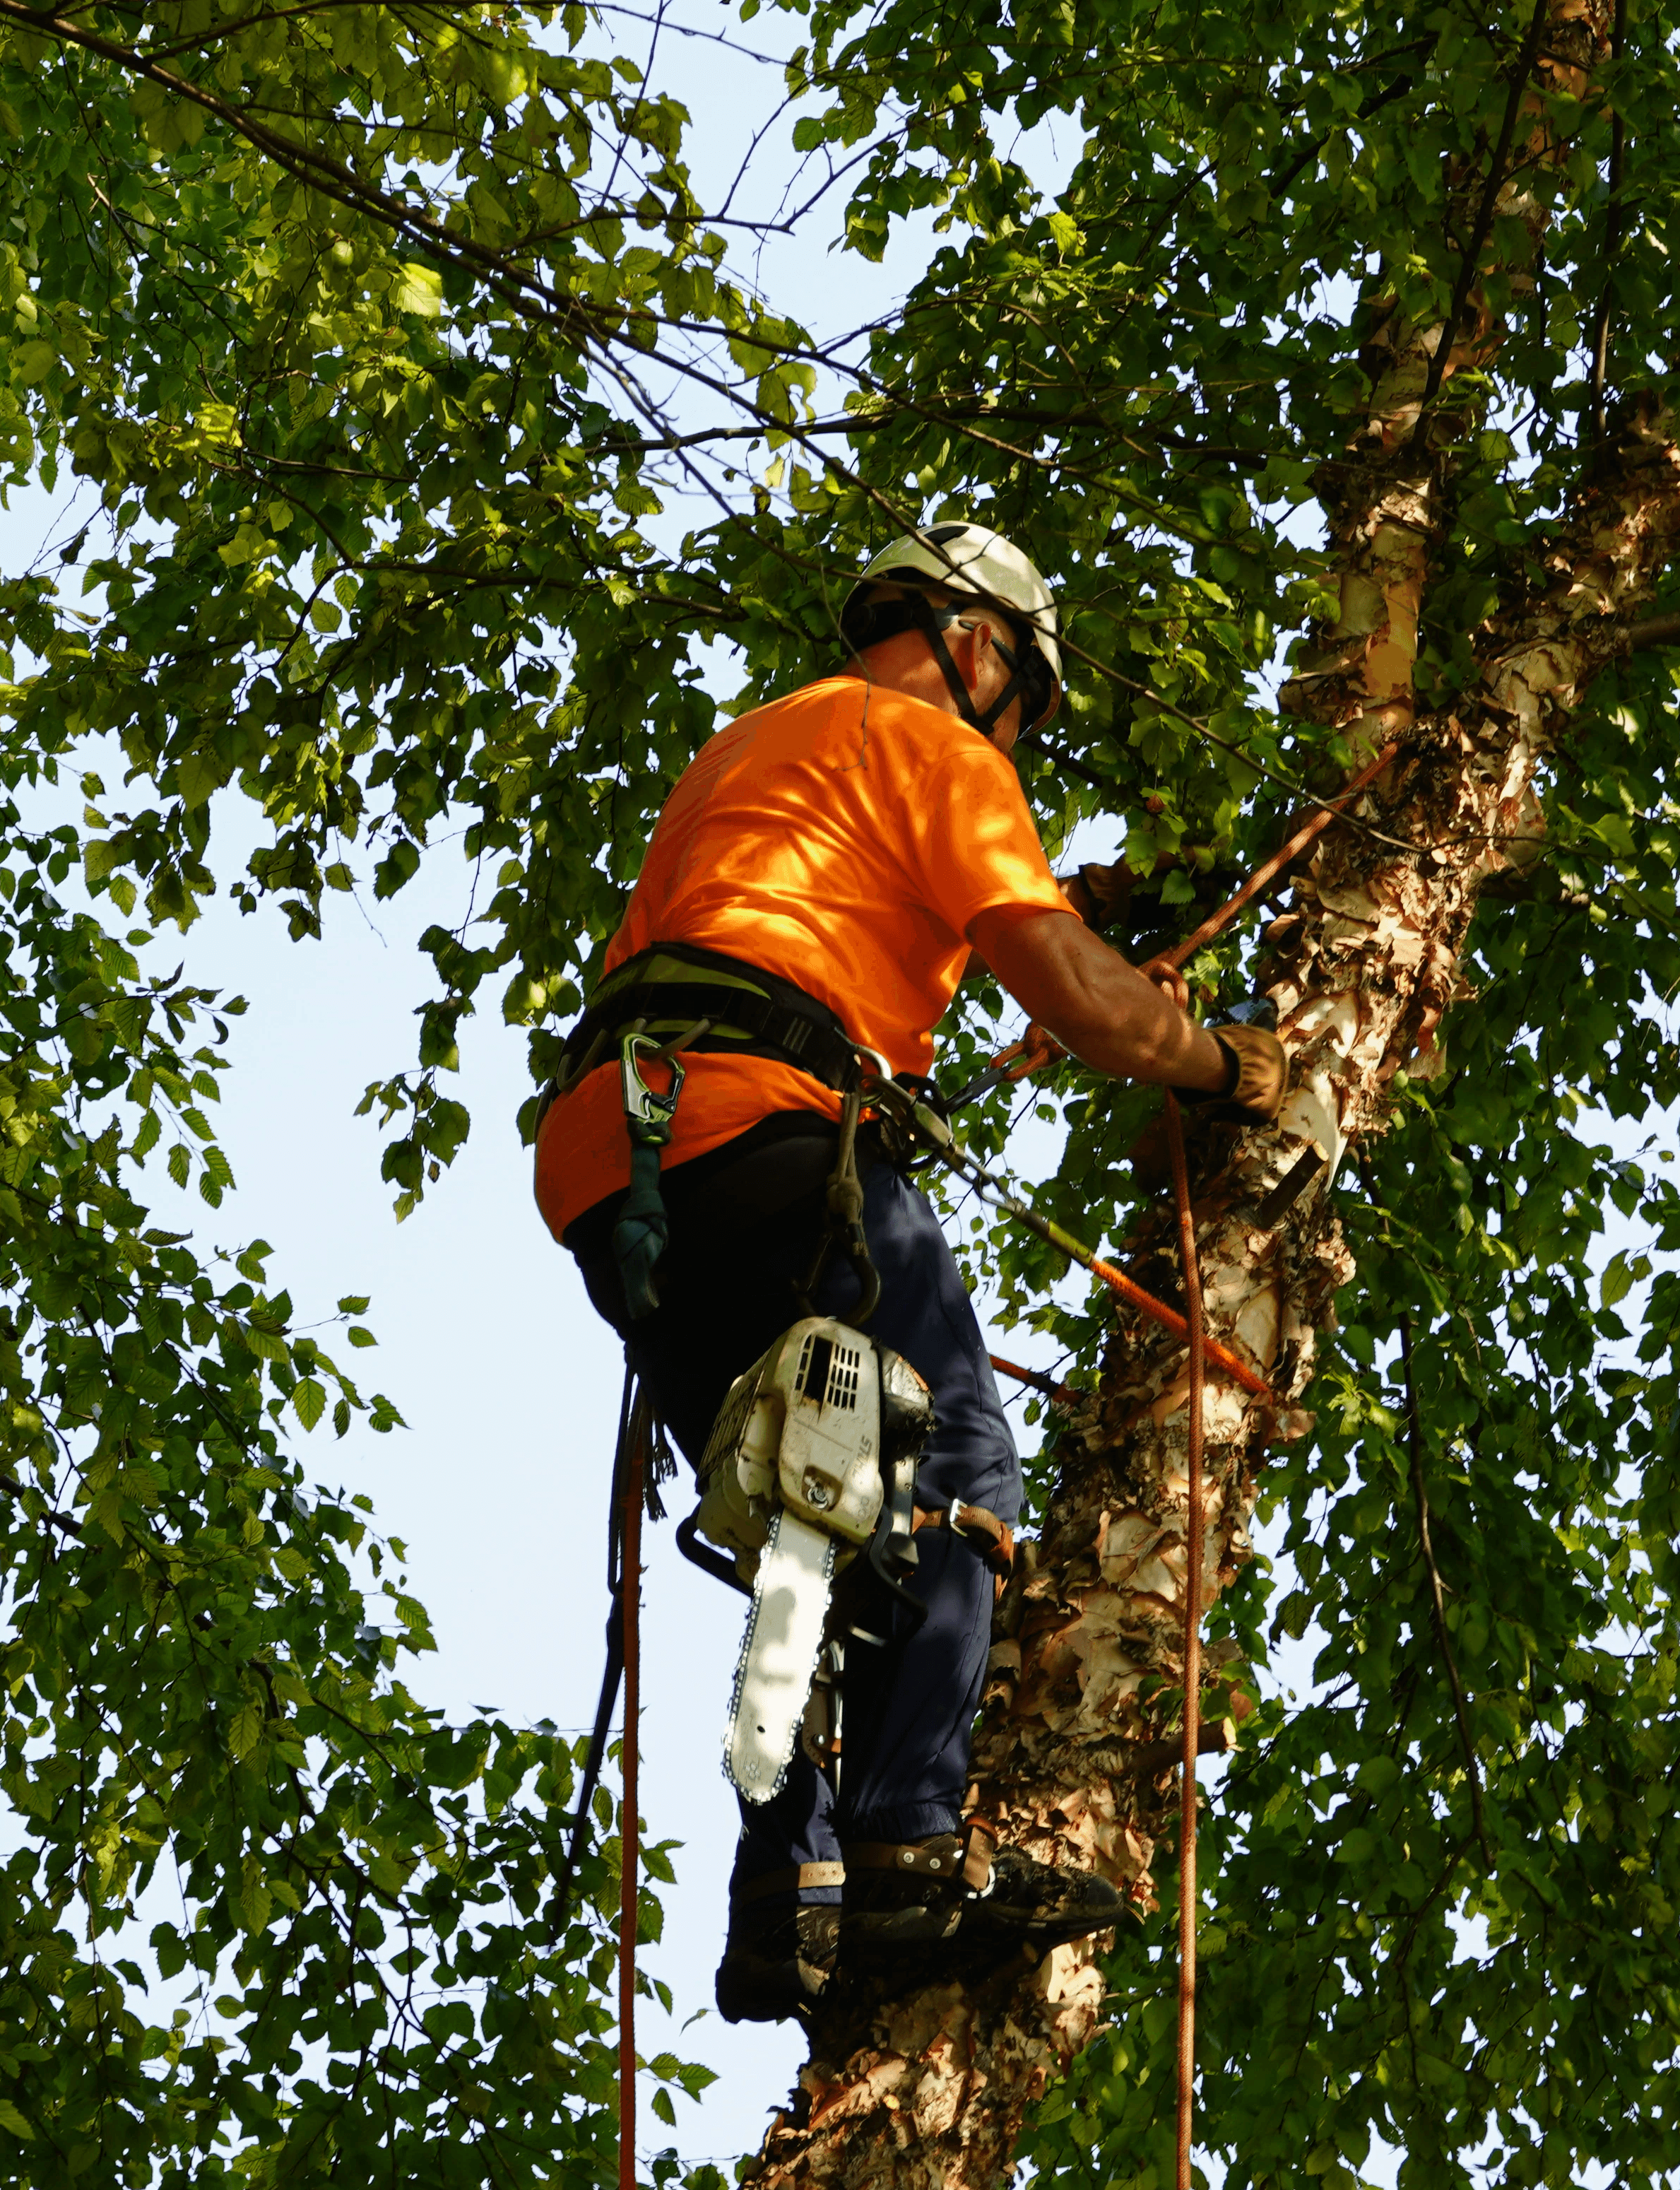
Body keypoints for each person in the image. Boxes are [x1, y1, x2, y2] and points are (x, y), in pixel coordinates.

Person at [536, 521, 1287, 2023]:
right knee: (949, 1457)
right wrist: (1221, 1063)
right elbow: (1079, 1000)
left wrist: (1076, 912)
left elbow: (839, 923)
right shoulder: (938, 750)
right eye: (1027, 695)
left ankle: (786, 1899)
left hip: (614, 1163)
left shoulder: (761, 745)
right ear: (980, 644)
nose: (1022, 728)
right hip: (764, 1123)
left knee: (804, 1501)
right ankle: (900, 1851)